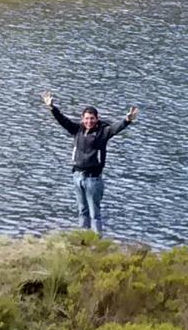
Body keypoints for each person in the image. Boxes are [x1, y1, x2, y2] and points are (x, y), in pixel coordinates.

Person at [43, 91, 139, 233]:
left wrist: (127, 120)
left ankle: (96, 241)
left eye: (92, 118)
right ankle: (83, 240)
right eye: (87, 119)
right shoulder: (77, 130)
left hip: (93, 179)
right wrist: (52, 108)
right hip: (77, 176)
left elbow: (115, 129)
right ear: (82, 119)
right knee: (82, 211)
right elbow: (63, 120)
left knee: (95, 214)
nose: (89, 121)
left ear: (97, 118)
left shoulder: (103, 132)